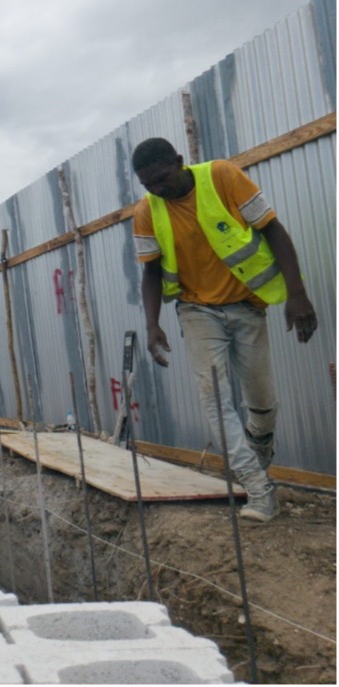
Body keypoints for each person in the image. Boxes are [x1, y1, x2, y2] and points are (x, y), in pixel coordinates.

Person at [131, 138, 317, 523]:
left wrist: (297, 294)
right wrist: (152, 325)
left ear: (180, 163)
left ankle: (259, 453)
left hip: (248, 306)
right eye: (149, 185)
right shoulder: (148, 211)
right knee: (215, 400)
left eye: (163, 179)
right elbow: (150, 271)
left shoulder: (222, 177)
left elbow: (273, 230)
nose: (158, 190)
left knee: (261, 402)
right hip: (197, 310)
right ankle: (258, 488)